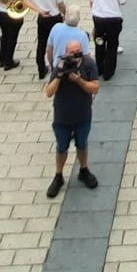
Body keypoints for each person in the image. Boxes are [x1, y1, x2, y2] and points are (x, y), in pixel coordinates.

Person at [44, 37, 101, 197]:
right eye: (72, 53)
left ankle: (84, 170)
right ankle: (58, 175)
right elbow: (49, 92)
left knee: (82, 144)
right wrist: (59, 76)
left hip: (82, 115)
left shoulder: (88, 63)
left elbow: (95, 88)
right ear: (66, 53)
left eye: (78, 53)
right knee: (61, 147)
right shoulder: (60, 66)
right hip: (62, 117)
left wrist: (79, 81)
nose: (75, 56)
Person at [26, 0, 68, 81]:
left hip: (42, 18)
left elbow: (26, 0)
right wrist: (65, 13)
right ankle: (57, 68)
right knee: (58, 44)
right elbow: (60, 3)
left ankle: (41, 70)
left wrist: (39, 10)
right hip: (55, 18)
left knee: (41, 44)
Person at [90, 0, 127, 80]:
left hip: (98, 17)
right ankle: (108, 72)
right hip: (112, 18)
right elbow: (123, 1)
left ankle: (99, 68)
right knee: (112, 44)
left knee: (99, 42)